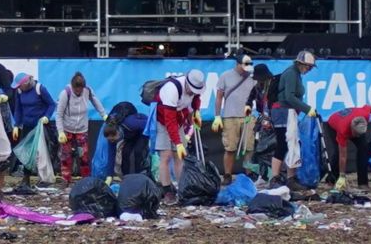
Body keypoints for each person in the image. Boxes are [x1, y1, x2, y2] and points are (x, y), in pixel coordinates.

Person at [154, 69, 206, 199]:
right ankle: (167, 190)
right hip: (164, 120)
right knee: (166, 156)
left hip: (180, 119)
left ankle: (183, 187)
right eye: (192, 90)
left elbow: (196, 100)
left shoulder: (196, 88)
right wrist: (177, 143)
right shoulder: (172, 89)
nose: (193, 93)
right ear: (187, 83)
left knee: (180, 156)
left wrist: (195, 113)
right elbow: (169, 121)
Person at [211, 53, 258, 178]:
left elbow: (258, 96)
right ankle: (227, 174)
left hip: (248, 116)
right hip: (230, 116)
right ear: (237, 64)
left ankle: (249, 174)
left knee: (249, 147)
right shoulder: (225, 76)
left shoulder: (252, 77)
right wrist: (217, 116)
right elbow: (219, 97)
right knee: (230, 148)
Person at [52, 73, 104, 184]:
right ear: (73, 86)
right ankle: (65, 179)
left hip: (82, 129)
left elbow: (95, 101)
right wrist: (61, 132)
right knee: (66, 156)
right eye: (76, 90)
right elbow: (59, 114)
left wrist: (103, 114)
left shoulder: (87, 90)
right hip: (67, 129)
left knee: (84, 155)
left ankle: (85, 179)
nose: (78, 92)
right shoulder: (65, 93)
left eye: (80, 90)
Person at [275, 52, 317, 185]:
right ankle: (280, 178)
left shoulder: (296, 74)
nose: (310, 70)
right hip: (284, 111)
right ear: (301, 64)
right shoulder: (291, 74)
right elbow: (289, 97)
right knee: (287, 143)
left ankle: (289, 177)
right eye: (309, 67)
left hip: (288, 111)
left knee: (291, 144)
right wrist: (307, 108)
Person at [323, 105, 371, 190]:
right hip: (333, 125)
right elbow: (343, 156)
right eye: (356, 134)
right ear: (352, 129)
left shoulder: (365, 116)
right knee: (338, 153)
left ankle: (363, 183)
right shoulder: (343, 130)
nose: (358, 136)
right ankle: (332, 180)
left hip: (354, 124)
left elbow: (370, 107)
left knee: (363, 148)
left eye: (360, 134)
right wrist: (342, 175)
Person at [102, 100, 149, 181]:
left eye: (113, 139)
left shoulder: (130, 123)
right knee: (125, 153)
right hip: (129, 134)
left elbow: (149, 124)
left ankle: (140, 179)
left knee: (137, 151)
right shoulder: (112, 136)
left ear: (117, 132)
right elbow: (111, 155)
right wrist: (109, 176)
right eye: (110, 140)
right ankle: (127, 179)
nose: (112, 142)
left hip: (142, 130)